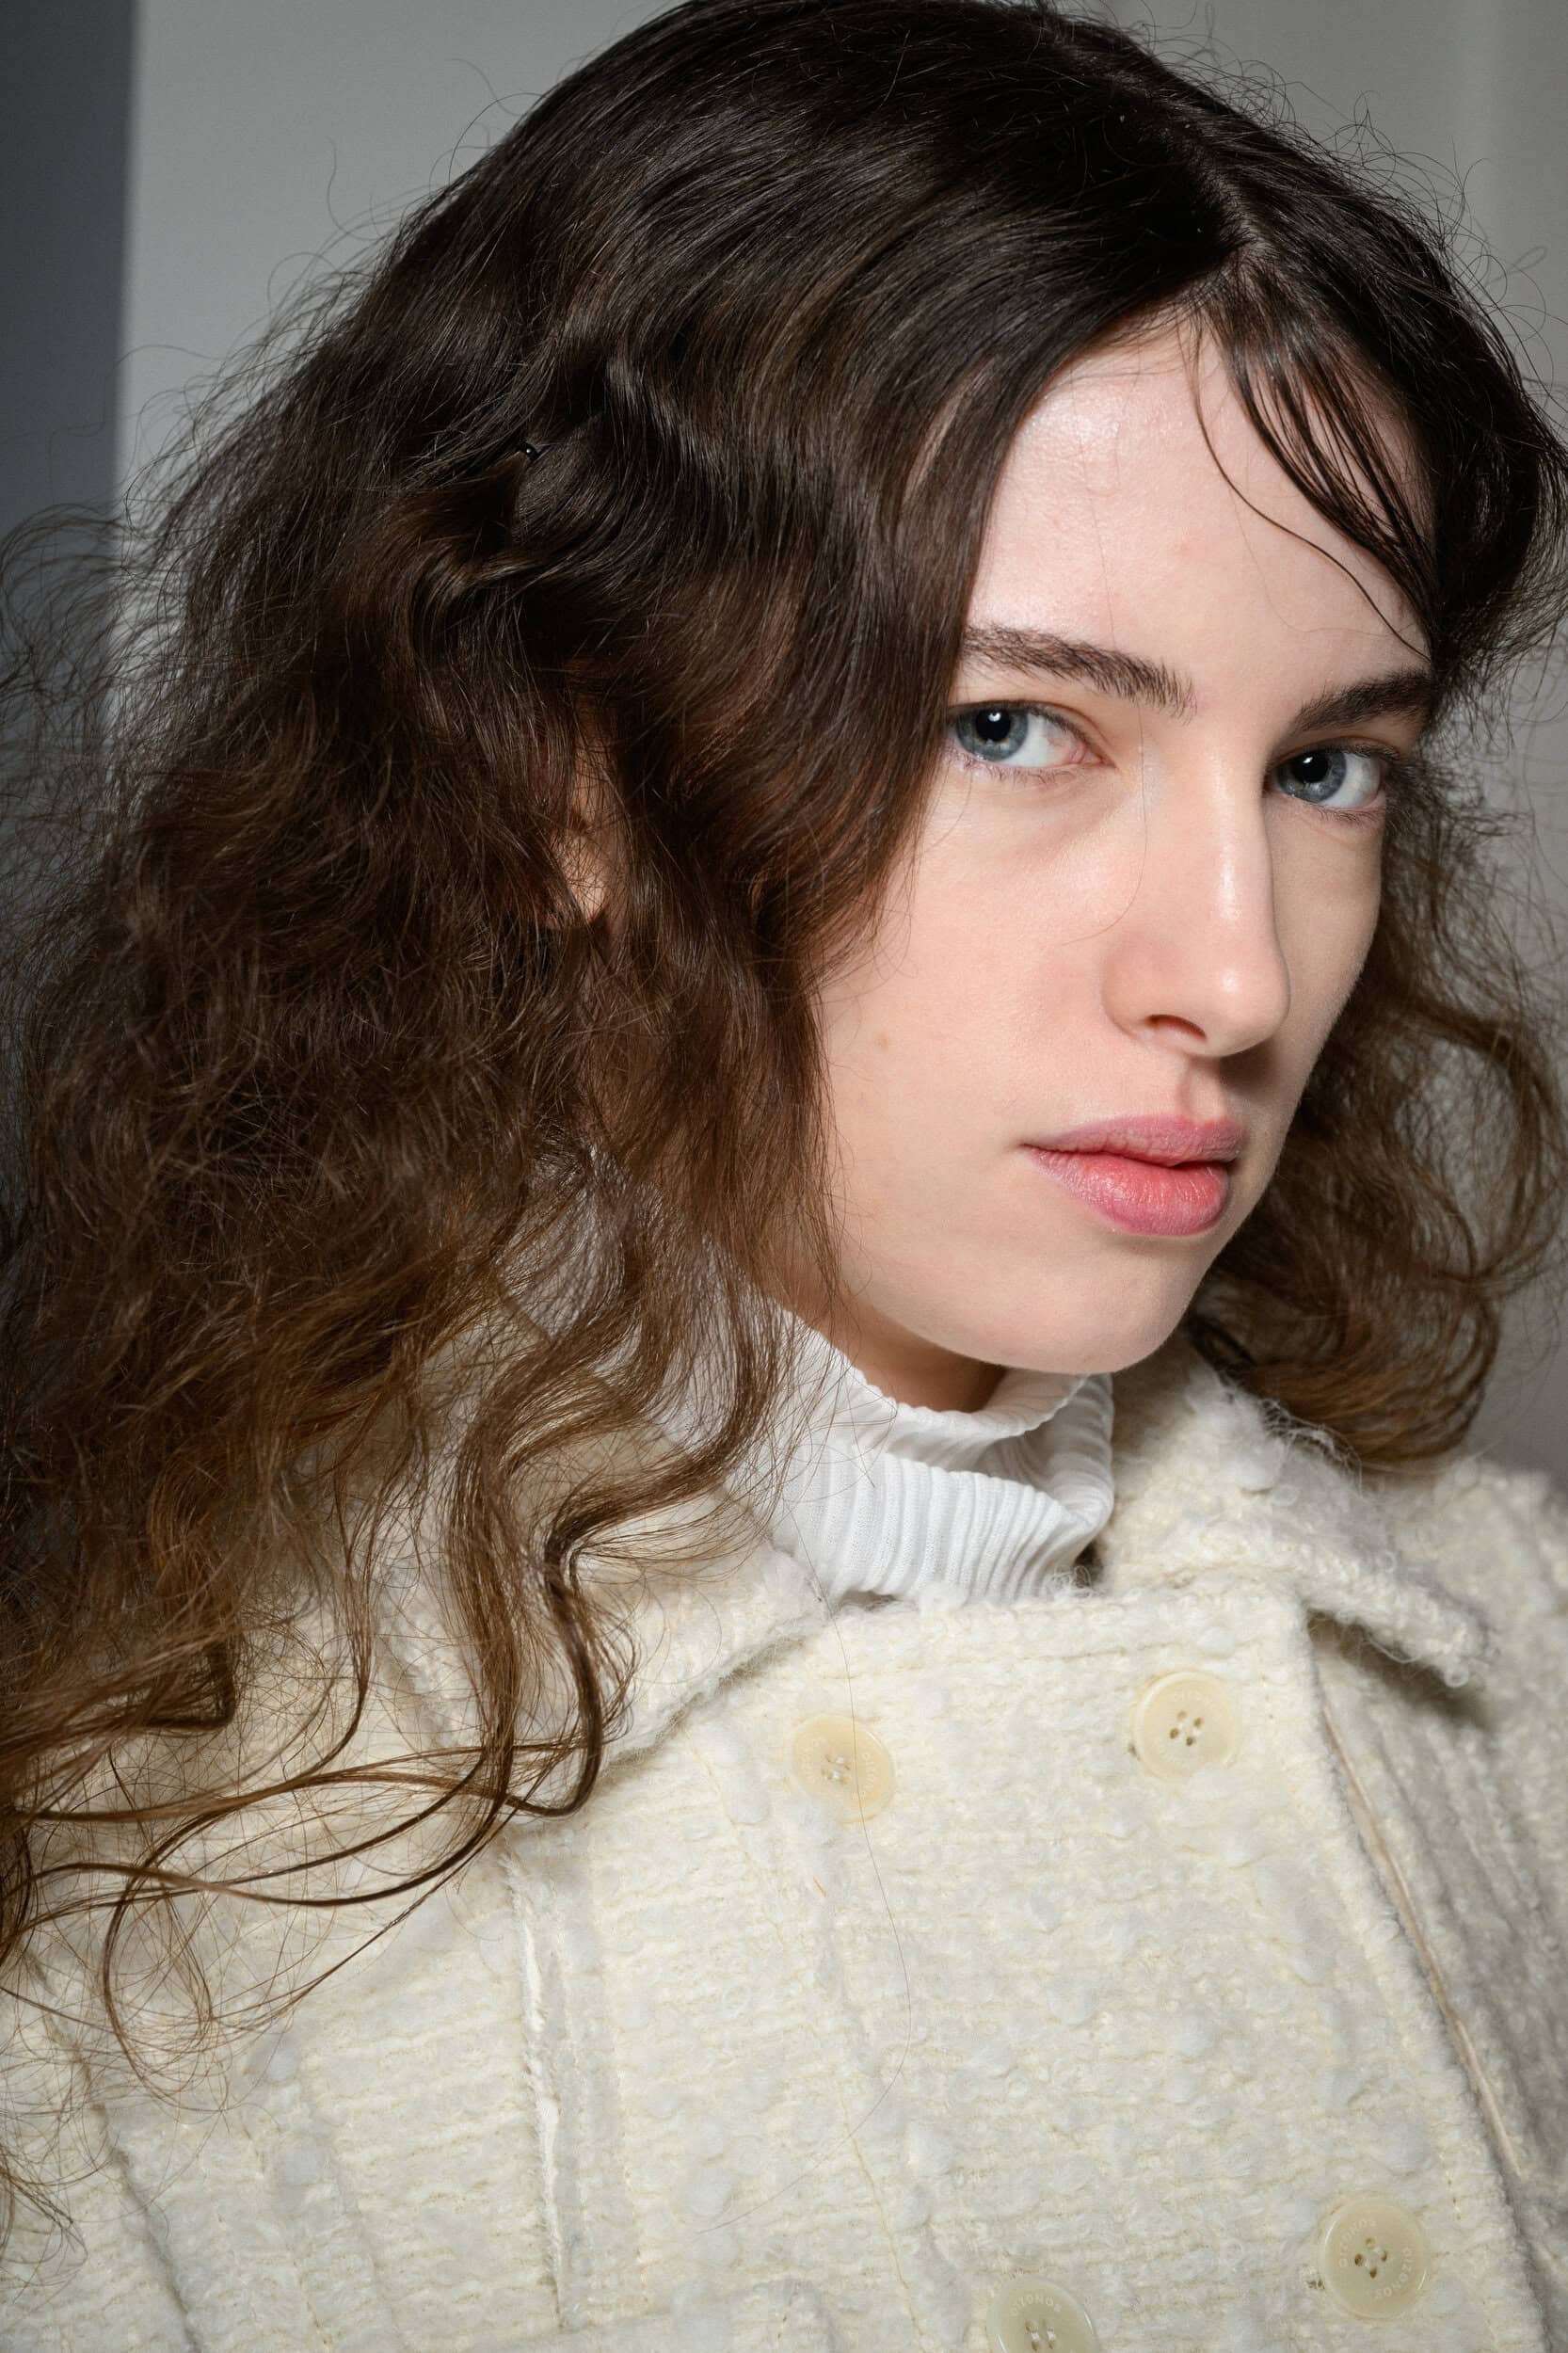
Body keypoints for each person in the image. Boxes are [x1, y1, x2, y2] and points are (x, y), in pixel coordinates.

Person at [2, 0, 1566, 2345]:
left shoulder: (1515, 1663)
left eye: (1324, 766)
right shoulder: (167, 1881)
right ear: (556, 771)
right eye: (1010, 725)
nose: (1234, 973)